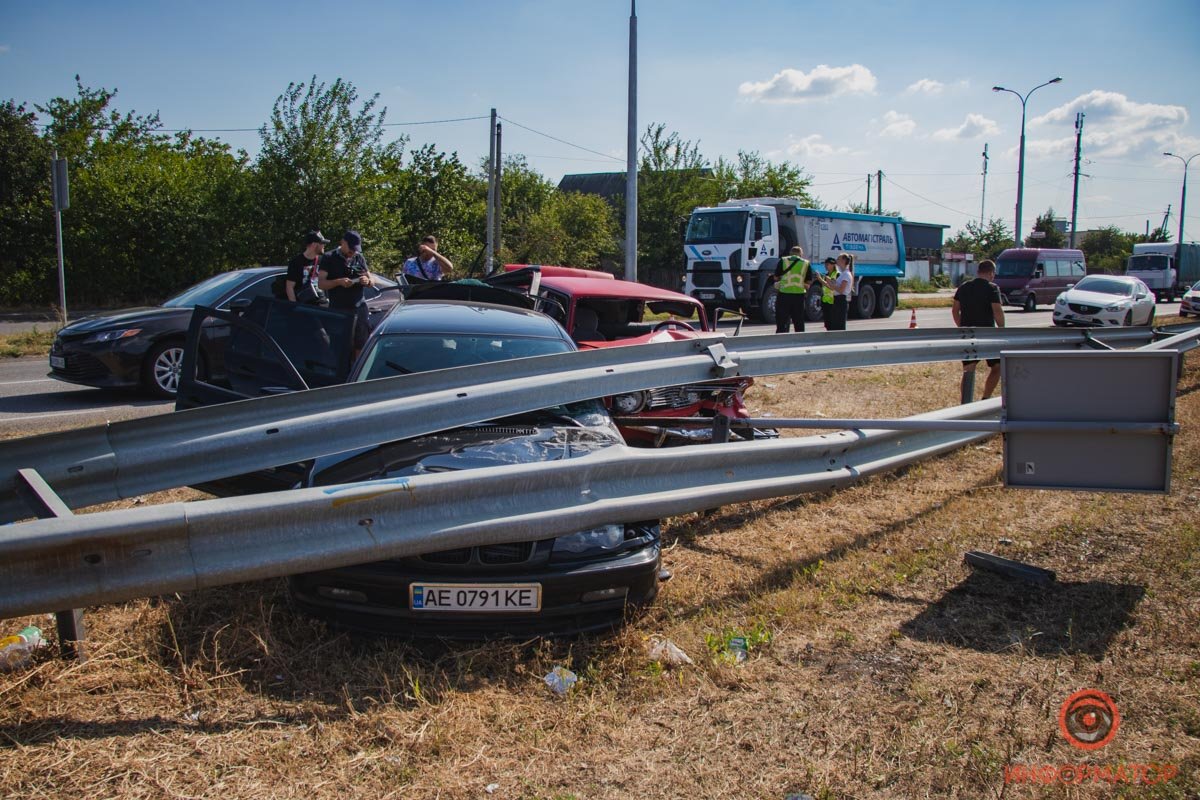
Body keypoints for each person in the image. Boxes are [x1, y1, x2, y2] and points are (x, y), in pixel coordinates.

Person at [952, 259, 1006, 399]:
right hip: (988, 335)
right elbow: (997, 311)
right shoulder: (992, 288)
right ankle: (985, 397)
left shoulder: (963, 287)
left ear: (978, 271)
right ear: (992, 273)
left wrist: (961, 327)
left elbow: (955, 310)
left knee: (968, 370)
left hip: (968, 335)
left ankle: (966, 401)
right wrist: (1002, 328)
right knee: (997, 367)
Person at [318, 230, 375, 352]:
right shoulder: (329, 258)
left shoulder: (359, 257)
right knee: (340, 347)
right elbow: (321, 284)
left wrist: (367, 281)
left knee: (361, 345)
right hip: (339, 309)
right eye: (351, 248)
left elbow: (372, 280)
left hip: (360, 308)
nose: (353, 252)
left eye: (355, 249)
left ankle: (358, 370)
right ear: (343, 242)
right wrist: (338, 282)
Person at [773, 245, 813, 333]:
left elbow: (776, 277)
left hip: (784, 294)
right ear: (800, 254)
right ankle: (799, 340)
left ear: (790, 253)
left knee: (782, 319)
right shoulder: (805, 263)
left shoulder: (783, 260)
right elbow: (809, 281)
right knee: (798, 320)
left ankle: (780, 338)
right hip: (798, 295)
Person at [285, 230, 329, 303]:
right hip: (304, 306)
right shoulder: (296, 262)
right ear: (314, 244)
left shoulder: (323, 261)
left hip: (321, 306)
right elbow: (289, 287)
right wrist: (295, 306)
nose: (324, 246)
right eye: (322, 243)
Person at [815, 254, 853, 331]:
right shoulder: (843, 274)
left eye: (838, 259)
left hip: (840, 300)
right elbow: (834, 287)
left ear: (843, 261)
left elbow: (841, 290)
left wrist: (832, 283)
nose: (837, 261)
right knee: (833, 324)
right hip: (836, 299)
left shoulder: (845, 274)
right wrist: (828, 282)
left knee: (838, 325)